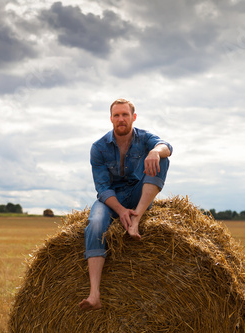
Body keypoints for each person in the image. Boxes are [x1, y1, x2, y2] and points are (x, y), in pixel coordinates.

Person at [79, 98, 172, 311]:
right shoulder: (99, 148)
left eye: (125, 115)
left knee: (163, 158)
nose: (121, 119)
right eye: (117, 115)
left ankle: (137, 217)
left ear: (133, 117)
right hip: (111, 199)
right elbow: (102, 188)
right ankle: (94, 294)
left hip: (139, 194)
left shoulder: (145, 138)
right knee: (95, 224)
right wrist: (120, 211)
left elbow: (166, 146)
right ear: (111, 119)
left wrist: (155, 152)